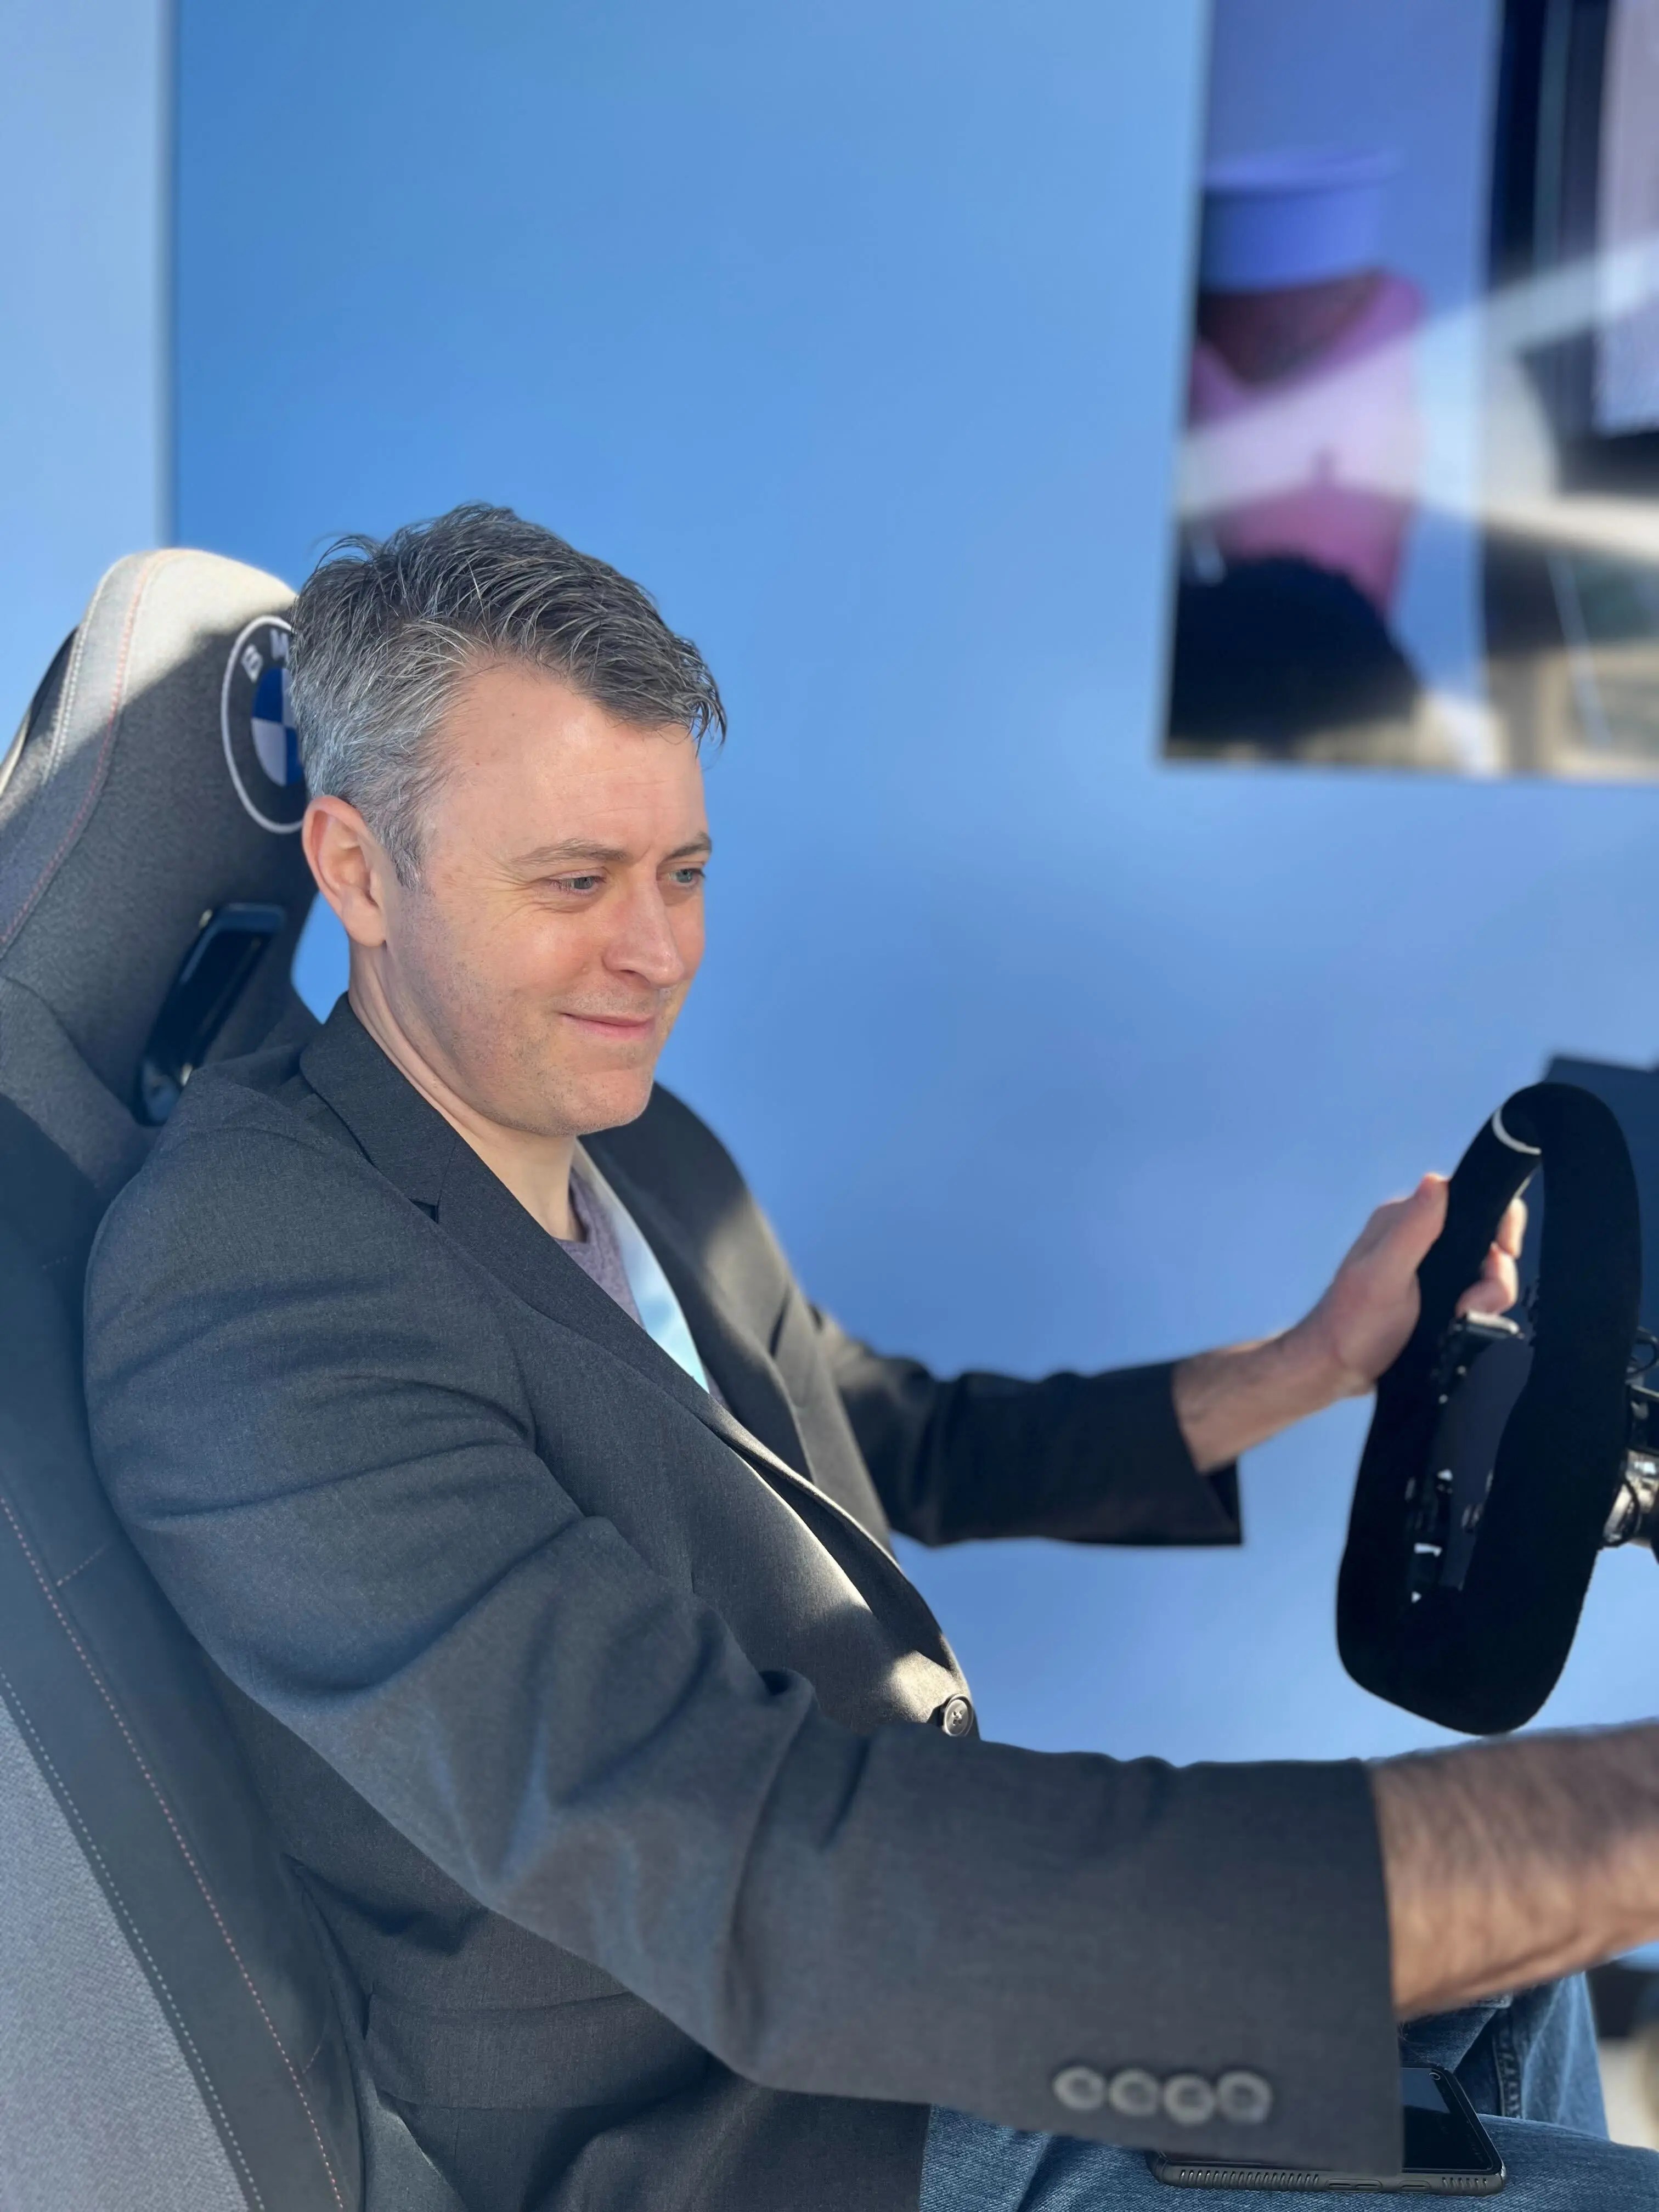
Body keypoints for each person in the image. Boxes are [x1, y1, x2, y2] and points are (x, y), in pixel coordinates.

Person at [84, 506, 1659, 2212]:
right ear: (355, 869)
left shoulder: (632, 1136)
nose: (657, 954)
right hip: (784, 2135)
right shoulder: (250, 1283)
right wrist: (1603, 1821)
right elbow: (742, 1866)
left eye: (685, 873)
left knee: (1514, 1970)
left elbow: (894, 1442)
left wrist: (1312, 1361)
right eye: (576, 883)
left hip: (921, 1981)